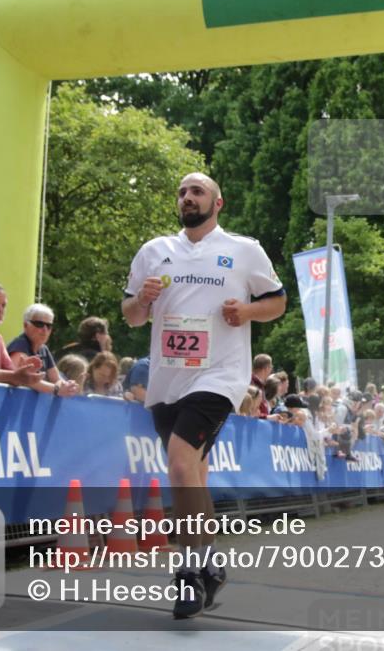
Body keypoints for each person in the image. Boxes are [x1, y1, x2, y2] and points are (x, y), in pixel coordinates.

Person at [122, 171, 285, 618]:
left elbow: (278, 301)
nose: (187, 197)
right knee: (193, 473)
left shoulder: (243, 249)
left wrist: (247, 310)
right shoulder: (155, 251)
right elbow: (131, 315)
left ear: (218, 203)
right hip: (167, 380)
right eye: (181, 192)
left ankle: (189, 572)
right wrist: (144, 302)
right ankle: (212, 566)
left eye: (197, 191)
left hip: (219, 375)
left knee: (178, 462)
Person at [7, 303, 78, 395]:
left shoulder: (43, 349)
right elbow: (19, 377)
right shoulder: (19, 345)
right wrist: (56, 389)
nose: (45, 329)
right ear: (25, 325)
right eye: (39, 324)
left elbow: (56, 379)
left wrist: (67, 386)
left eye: (49, 326)